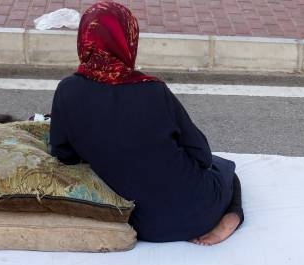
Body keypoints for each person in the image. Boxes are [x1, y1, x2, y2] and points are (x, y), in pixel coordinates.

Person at [49, 1, 243, 246]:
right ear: (127, 39)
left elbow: (63, 154)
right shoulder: (153, 90)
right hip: (201, 212)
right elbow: (202, 155)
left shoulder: (67, 91)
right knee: (227, 170)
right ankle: (233, 215)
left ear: (84, 39)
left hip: (144, 225)